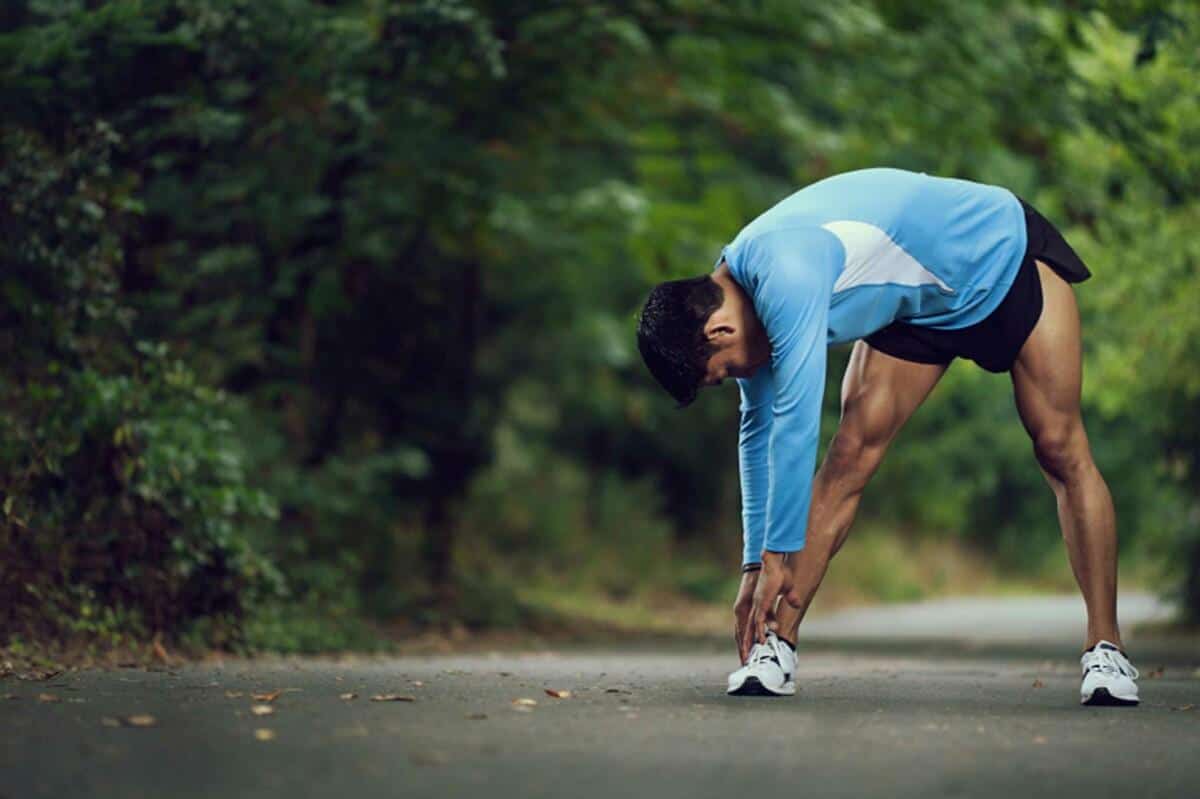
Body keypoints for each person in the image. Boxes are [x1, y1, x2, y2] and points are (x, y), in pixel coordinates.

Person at [636, 168, 1140, 705]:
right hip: (919, 309)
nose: (738, 377)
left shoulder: (785, 275)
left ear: (719, 332)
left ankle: (1105, 647)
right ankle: (774, 644)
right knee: (849, 456)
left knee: (1060, 448)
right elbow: (757, 429)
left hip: (1001, 259)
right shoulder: (733, 300)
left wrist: (779, 553)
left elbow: (796, 421)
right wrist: (754, 565)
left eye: (725, 373)